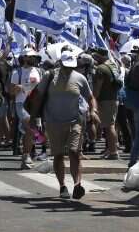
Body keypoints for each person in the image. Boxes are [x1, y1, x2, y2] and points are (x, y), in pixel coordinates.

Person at [33, 51, 98, 199]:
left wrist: (93, 110)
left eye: (71, 67)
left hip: (75, 121)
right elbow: (38, 96)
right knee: (58, 155)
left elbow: (90, 97)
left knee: (74, 152)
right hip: (53, 122)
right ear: (60, 64)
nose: (69, 69)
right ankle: (62, 186)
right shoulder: (49, 76)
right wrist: (34, 117)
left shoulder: (80, 78)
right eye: (66, 66)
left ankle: (77, 185)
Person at [8, 49, 42, 169]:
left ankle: (26, 154)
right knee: (31, 128)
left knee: (31, 131)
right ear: (25, 58)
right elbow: (11, 91)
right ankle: (26, 155)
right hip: (21, 104)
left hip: (34, 105)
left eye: (34, 57)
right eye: (31, 57)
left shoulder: (38, 71)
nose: (34, 59)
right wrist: (19, 88)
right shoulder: (17, 72)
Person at [91, 48, 122, 160]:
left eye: (97, 56)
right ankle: (111, 149)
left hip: (105, 100)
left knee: (109, 126)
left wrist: (94, 99)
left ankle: (113, 152)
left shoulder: (101, 69)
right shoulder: (113, 66)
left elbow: (97, 87)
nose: (95, 58)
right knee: (109, 125)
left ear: (101, 56)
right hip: (114, 98)